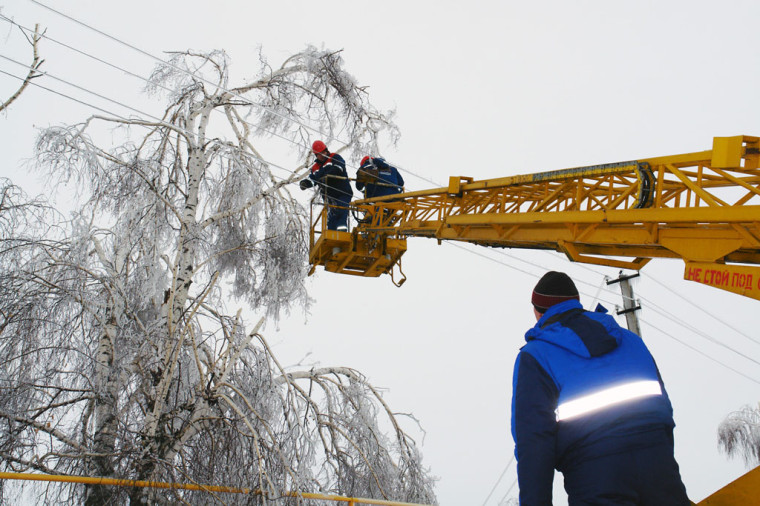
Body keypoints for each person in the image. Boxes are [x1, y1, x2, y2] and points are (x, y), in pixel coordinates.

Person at [511, 271, 690, 505]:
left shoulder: (536, 356)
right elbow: (663, 406)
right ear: (575, 301)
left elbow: (534, 441)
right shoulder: (630, 339)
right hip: (658, 462)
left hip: (593, 474)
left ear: (538, 312)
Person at [299, 140, 352, 231]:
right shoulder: (315, 167)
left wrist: (325, 176)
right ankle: (331, 239)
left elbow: (339, 168)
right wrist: (305, 183)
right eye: (319, 154)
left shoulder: (335, 157)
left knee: (341, 215)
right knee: (331, 220)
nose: (322, 155)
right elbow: (313, 179)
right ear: (316, 155)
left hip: (342, 193)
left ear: (326, 150)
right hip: (329, 197)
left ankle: (342, 238)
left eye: (323, 152)